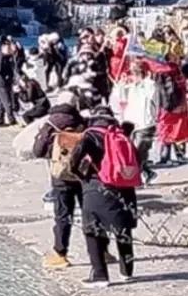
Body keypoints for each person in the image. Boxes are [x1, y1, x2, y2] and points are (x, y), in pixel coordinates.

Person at [68, 105, 140, 283]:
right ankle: (127, 272)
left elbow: (74, 159)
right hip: (125, 188)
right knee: (123, 231)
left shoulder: (91, 135)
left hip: (97, 187)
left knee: (94, 231)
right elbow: (138, 160)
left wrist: (81, 175)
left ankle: (100, 275)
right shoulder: (122, 135)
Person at [34, 90, 87, 267]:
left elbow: (38, 150)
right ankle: (102, 251)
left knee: (63, 215)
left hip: (61, 175)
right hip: (82, 174)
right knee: (90, 213)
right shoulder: (82, 122)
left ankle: (60, 254)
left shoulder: (50, 123)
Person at [113, 58, 158, 180]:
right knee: (130, 153)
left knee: (138, 152)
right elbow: (121, 98)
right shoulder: (130, 86)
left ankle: (134, 178)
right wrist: (121, 84)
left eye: (136, 72)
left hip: (146, 124)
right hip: (131, 123)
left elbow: (152, 94)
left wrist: (143, 80)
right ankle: (147, 173)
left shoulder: (150, 85)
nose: (133, 75)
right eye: (132, 72)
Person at [154, 55, 188, 166]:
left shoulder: (164, 71)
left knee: (167, 130)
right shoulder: (173, 71)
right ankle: (178, 155)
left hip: (169, 106)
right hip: (177, 104)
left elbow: (166, 91)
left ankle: (167, 156)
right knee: (177, 130)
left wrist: (167, 106)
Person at [0, 37, 18, 127]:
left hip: (8, 82)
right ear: (2, 48)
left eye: (9, 47)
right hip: (1, 83)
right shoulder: (0, 57)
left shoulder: (8, 56)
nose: (9, 49)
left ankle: (0, 120)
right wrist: (7, 76)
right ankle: (12, 121)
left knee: (2, 102)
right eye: (7, 47)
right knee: (8, 103)